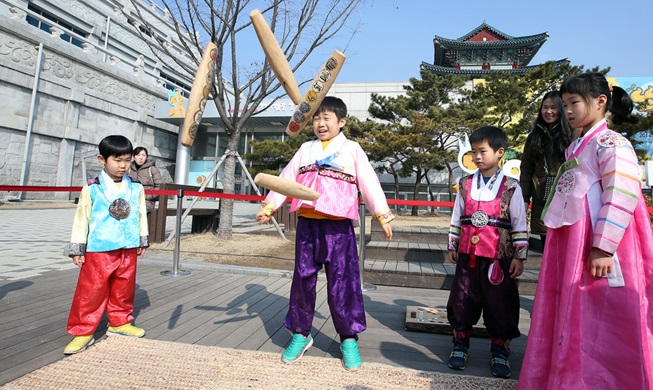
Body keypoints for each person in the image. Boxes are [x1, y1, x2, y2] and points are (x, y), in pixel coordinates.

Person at [517, 73, 653, 389]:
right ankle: (565, 375)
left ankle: (607, 380)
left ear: (600, 102)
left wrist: (604, 247)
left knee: (602, 315)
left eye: (574, 103)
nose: (568, 111)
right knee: (571, 309)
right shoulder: (576, 145)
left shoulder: (612, 143)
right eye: (565, 105)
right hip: (570, 241)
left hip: (599, 245)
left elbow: (621, 194)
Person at [255, 96, 394, 371]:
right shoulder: (305, 149)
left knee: (343, 282)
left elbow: (368, 180)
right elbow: (286, 177)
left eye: (326, 118)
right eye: (316, 118)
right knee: (303, 280)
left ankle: (348, 338)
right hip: (308, 224)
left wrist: (382, 215)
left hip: (338, 227)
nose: (320, 123)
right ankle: (300, 334)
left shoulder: (352, 149)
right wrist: (270, 206)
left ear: (341, 122)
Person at [446, 126, 528, 379]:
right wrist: (453, 243)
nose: (477, 157)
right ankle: (460, 344)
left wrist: (518, 255)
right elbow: (457, 215)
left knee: (500, 304)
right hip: (468, 254)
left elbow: (519, 221)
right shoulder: (465, 183)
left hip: (498, 258)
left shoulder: (512, 187)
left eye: (483, 151)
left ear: (499, 152)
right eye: (473, 152)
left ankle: (500, 350)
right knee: (462, 298)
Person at [64, 135, 149, 355]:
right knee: (91, 290)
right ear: (102, 159)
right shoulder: (93, 187)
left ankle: (120, 322)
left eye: (127, 160)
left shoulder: (136, 187)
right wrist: (78, 248)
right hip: (100, 247)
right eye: (117, 160)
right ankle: (83, 331)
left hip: (127, 246)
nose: (123, 165)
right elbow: (82, 217)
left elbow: (141, 214)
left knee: (124, 286)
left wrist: (142, 239)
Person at [519, 91, 575, 248]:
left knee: (567, 246)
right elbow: (526, 170)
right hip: (541, 199)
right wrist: (524, 198)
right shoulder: (534, 136)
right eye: (545, 107)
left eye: (554, 107)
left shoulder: (572, 134)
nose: (548, 111)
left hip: (566, 198)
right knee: (547, 247)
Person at [129, 146, 164, 213]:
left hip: (147, 201)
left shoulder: (152, 169)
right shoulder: (129, 168)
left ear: (146, 157)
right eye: (138, 155)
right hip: (130, 198)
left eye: (143, 155)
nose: (141, 158)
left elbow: (160, 186)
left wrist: (147, 196)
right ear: (134, 156)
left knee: (138, 211)